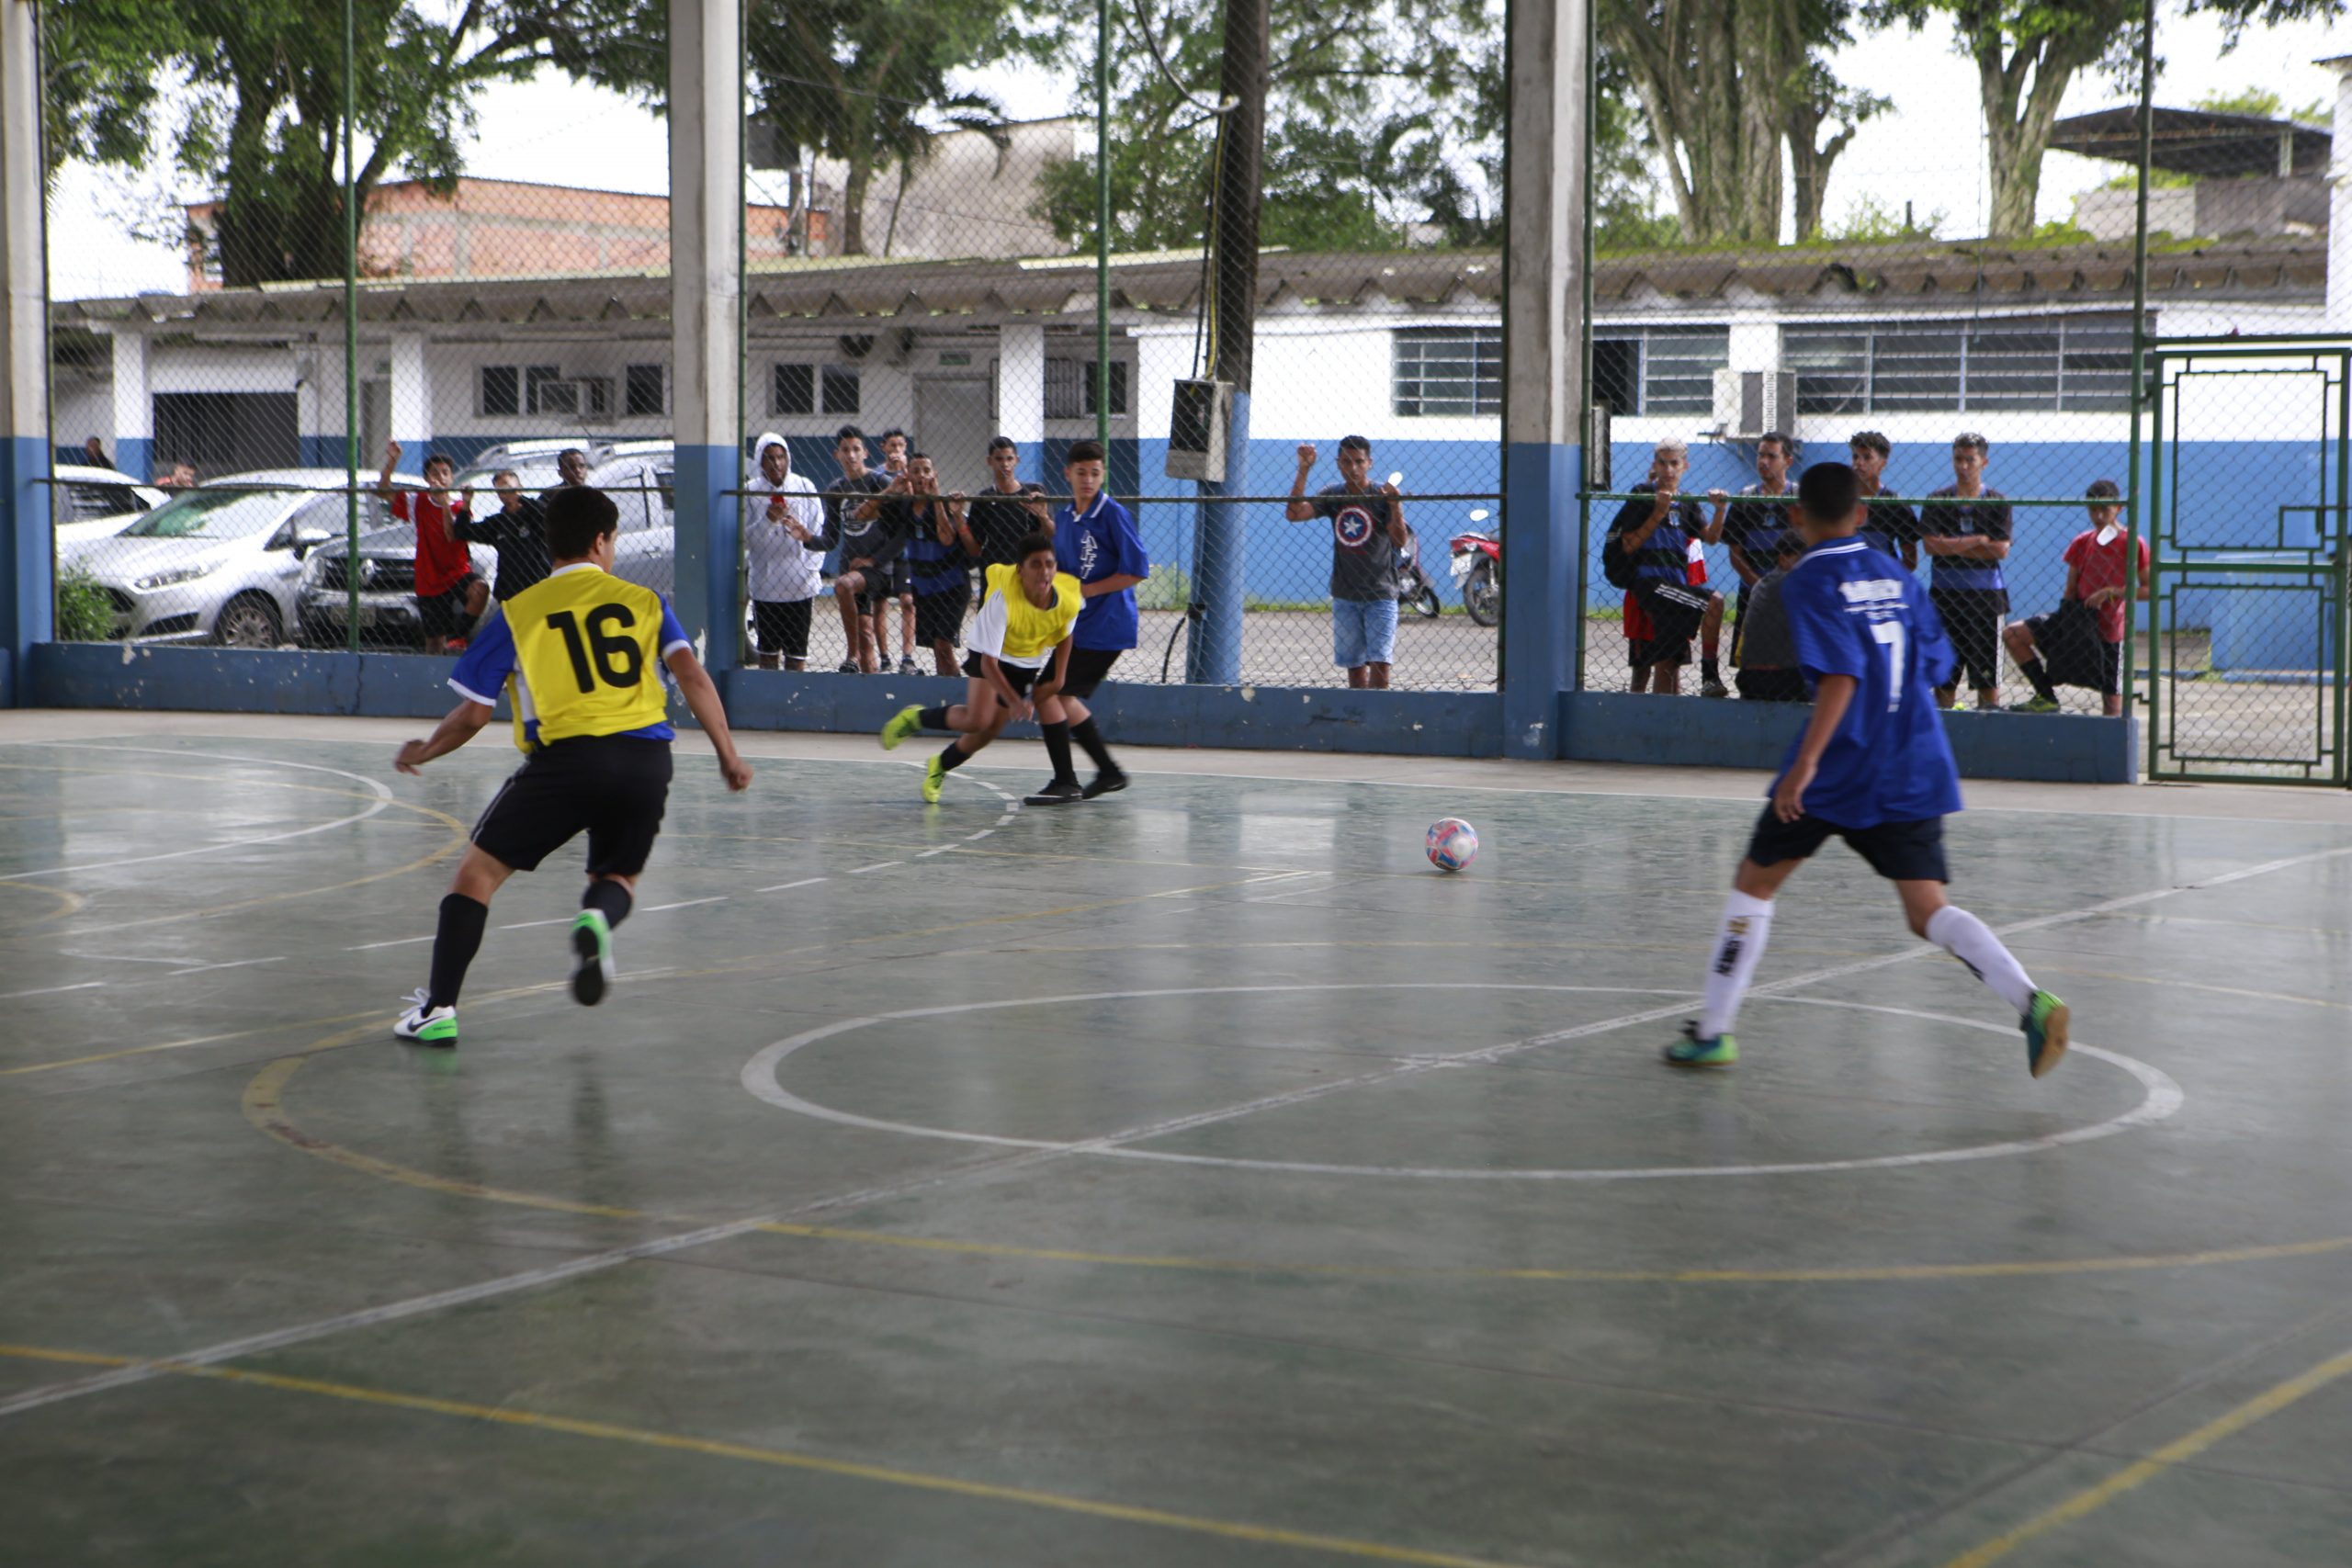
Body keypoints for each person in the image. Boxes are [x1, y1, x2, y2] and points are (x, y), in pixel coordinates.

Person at [1664, 461, 2068, 1076]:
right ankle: (2031, 1001)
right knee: (1928, 909)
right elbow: (1935, 666)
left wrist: (1804, 766)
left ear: (1797, 517)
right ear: (1861, 514)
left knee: (1755, 881)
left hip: (1839, 764)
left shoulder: (1805, 579)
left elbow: (1841, 676)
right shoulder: (1895, 572)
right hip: (1914, 759)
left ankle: (1714, 1030)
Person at [390, 485, 754, 1046]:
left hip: (567, 762)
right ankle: (597, 923)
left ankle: (438, 1009)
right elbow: (692, 677)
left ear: (549, 542)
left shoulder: (520, 611)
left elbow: (473, 713)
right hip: (645, 760)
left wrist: (425, 749)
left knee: (476, 877)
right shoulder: (646, 603)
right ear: (601, 541)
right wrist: (728, 754)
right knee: (616, 878)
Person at [878, 533, 1081, 805]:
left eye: (1049, 564)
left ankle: (939, 765)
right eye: (1035, 564)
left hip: (1025, 658)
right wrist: (1014, 701)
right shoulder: (1002, 601)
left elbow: (1065, 634)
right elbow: (989, 663)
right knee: (977, 720)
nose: (1044, 571)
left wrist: (1059, 679)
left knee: (987, 732)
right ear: (1020, 570)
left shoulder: (1069, 598)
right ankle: (916, 718)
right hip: (990, 653)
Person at [1044, 438, 1145, 802]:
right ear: (1068, 474)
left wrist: (1089, 590)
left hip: (1108, 625)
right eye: (1081, 473)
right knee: (1058, 695)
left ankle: (1069, 780)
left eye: (1095, 473)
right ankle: (1107, 771)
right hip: (1078, 625)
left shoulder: (1113, 514)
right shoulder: (1064, 518)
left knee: (1050, 692)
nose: (1088, 480)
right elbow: (1066, 573)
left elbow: (1136, 570)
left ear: (1103, 475)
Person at [2005, 479, 2147, 716]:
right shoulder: (2083, 541)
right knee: (2013, 633)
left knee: (2112, 703)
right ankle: (2046, 695)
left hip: (2108, 630)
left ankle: (2109, 749)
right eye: (2093, 509)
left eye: (2105, 509)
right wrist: (2066, 621)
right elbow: (2070, 588)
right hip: (2078, 620)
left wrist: (2112, 591)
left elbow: (2148, 590)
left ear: (2119, 508)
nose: (2099, 516)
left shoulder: (2132, 542)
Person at [1286, 435, 1410, 689]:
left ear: (1369, 463)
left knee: (1380, 666)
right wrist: (1304, 469)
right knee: (1354, 670)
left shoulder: (1380, 495)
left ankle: (1375, 720)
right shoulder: (1334, 495)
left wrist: (1396, 506)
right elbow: (1294, 513)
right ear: (1338, 463)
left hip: (1380, 594)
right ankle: (1358, 719)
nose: (1352, 468)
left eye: (1358, 462)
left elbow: (1399, 540)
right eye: (1346, 462)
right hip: (1346, 595)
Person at [1612, 441, 1725, 696]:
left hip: (1676, 588)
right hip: (1650, 585)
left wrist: (1720, 509)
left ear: (1684, 466)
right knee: (1642, 666)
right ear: (1654, 464)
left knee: (1669, 663)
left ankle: (1661, 722)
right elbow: (1628, 545)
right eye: (1662, 463)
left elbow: (1711, 538)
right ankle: (1710, 675)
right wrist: (1658, 512)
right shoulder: (1642, 494)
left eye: (1674, 463)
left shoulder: (1687, 502)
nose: (1668, 469)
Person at [1921, 433, 2012, 710]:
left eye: (1969, 460)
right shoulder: (1937, 499)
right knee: (1945, 679)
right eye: (1958, 459)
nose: (1963, 466)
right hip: (1944, 598)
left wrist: (1949, 545)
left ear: (1983, 462)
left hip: (1985, 599)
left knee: (1987, 681)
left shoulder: (1997, 501)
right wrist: (1976, 541)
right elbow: (1930, 546)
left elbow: (1999, 551)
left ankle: (1987, 736)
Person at [377, 440, 485, 655]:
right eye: (435, 473)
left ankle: (459, 635)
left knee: (479, 590)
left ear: (452, 477)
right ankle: (432, 679)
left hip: (457, 574)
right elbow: (383, 491)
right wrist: (392, 460)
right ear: (427, 479)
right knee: (434, 642)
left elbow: (451, 535)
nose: (441, 477)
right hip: (430, 578)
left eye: (445, 472)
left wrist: (444, 503)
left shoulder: (459, 506)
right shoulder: (418, 500)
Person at [1710, 432, 1798, 693]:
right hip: (1753, 592)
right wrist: (1760, 586)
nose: (1763, 461)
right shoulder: (1744, 499)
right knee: (1750, 666)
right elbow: (1735, 554)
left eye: (1772, 455)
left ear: (1788, 461)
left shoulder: (1800, 500)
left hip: (1791, 594)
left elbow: (1809, 549)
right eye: (1761, 454)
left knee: (1791, 665)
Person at [741, 433, 826, 671]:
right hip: (766, 587)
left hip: (799, 585)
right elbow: (748, 540)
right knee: (767, 655)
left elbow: (817, 530)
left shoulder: (804, 486)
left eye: (780, 457)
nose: (776, 463)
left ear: (788, 458)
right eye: (769, 458)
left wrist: (809, 570)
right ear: (760, 460)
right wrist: (768, 520)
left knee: (796, 656)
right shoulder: (751, 491)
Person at [885, 453, 972, 677]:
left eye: (926, 470)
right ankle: (945, 691)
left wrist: (935, 500)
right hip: (924, 587)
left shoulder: (944, 505)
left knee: (944, 644)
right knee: (936, 647)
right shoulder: (905, 507)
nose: (922, 476)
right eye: (916, 471)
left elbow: (946, 538)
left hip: (951, 586)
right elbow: (863, 514)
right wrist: (891, 491)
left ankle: (955, 693)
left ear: (934, 475)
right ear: (908, 476)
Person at [818, 426, 896, 672]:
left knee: (842, 585)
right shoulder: (835, 489)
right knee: (865, 633)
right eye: (845, 450)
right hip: (850, 567)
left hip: (878, 567)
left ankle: (850, 656)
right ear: (836, 455)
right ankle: (866, 676)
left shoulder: (879, 482)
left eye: (855, 449)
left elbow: (900, 531)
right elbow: (830, 539)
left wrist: (875, 559)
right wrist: (805, 537)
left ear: (865, 453)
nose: (850, 455)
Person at [1729, 533, 1811, 705]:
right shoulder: (1795, 584)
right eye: (1801, 560)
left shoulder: (1762, 584)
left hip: (1749, 679)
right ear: (1782, 559)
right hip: (1785, 679)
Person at [453, 469, 555, 605]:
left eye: (508, 486)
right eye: (500, 490)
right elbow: (461, 532)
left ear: (519, 487)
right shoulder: (498, 523)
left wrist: (521, 500)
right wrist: (466, 502)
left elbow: (551, 518)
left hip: (540, 587)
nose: (505, 493)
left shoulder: (537, 514)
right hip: (510, 592)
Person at [958, 436, 1054, 570]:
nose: (1005, 464)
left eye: (1009, 458)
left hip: (1028, 571)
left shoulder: (1034, 493)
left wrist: (1043, 516)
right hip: (996, 570)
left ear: (1017, 460)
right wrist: (958, 518)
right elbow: (974, 549)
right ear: (989, 461)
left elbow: (1051, 534)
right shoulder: (983, 499)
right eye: (999, 459)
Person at [876, 427, 918, 673]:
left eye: (901, 446)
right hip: (882, 544)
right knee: (880, 603)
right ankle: (884, 656)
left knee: (908, 601)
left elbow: (914, 505)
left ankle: (907, 656)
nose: (896, 451)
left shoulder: (911, 473)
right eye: (892, 446)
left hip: (904, 549)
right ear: (884, 448)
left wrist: (906, 475)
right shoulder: (877, 475)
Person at [1848, 431, 1920, 569]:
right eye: (1855, 457)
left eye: (1867, 457)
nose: (1859, 463)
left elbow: (1910, 561)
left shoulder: (1896, 504)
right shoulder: (1841, 500)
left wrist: (1887, 576)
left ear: (1883, 463)